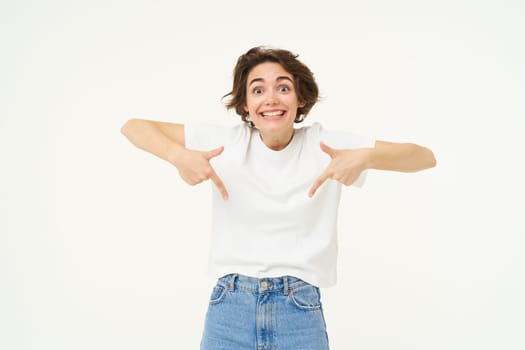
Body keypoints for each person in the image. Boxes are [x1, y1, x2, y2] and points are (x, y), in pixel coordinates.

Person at [121, 46, 436, 350]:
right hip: (229, 307)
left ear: (301, 99)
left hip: (298, 310)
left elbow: (424, 157)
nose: (270, 98)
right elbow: (134, 127)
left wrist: (365, 158)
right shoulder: (227, 142)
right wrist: (177, 156)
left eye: (283, 88)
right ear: (244, 104)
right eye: (257, 90)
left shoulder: (324, 144)